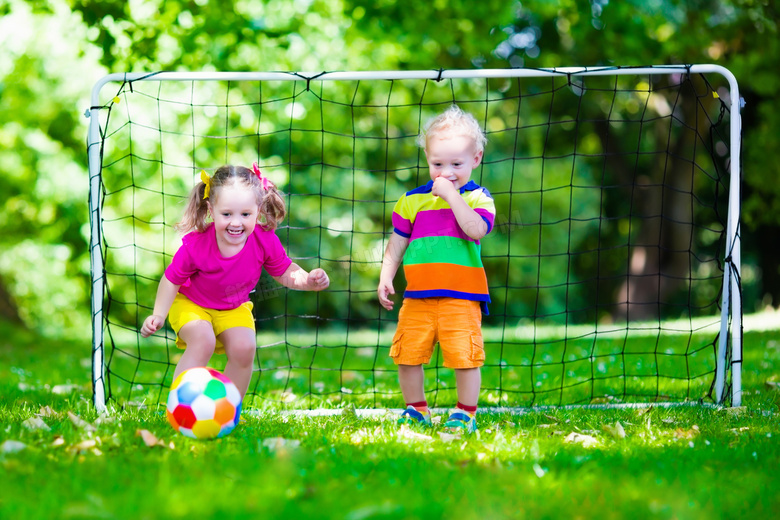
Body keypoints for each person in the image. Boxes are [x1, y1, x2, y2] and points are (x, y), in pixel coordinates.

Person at [141, 163, 330, 398]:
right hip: (192, 305)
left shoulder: (264, 240)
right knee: (203, 339)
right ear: (211, 209)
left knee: (245, 348)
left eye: (245, 214)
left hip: (233, 307)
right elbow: (171, 279)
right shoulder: (197, 245)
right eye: (227, 214)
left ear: (258, 210)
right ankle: (180, 404)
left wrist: (309, 280)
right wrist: (158, 315)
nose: (236, 222)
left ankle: (228, 408)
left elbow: (284, 271)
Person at [377, 104, 495, 433]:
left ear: (476, 159)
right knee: (407, 354)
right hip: (418, 296)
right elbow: (397, 242)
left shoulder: (478, 198)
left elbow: (477, 230)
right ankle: (416, 410)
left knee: (464, 357)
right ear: (427, 159)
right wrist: (386, 275)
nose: (446, 172)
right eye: (437, 164)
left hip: (462, 296)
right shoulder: (411, 201)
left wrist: (451, 196)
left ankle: (465, 413)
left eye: (456, 164)